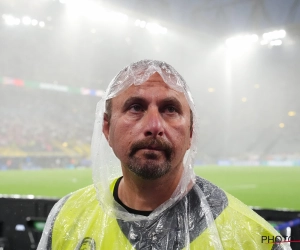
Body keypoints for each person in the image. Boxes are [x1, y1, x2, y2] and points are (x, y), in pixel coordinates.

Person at [38, 60, 291, 250]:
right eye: (135, 107)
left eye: (170, 109)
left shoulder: (253, 238)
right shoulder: (66, 218)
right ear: (106, 127)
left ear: (191, 131)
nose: (154, 126)